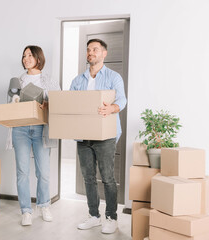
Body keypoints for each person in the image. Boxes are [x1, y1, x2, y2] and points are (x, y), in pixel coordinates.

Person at [70, 39, 127, 234]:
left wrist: (112, 108)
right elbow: (71, 105)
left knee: (108, 177)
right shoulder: (78, 81)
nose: (90, 52)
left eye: (95, 49)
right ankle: (94, 216)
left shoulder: (113, 77)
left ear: (104, 53)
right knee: (88, 178)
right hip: (83, 136)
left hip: (106, 136)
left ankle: (111, 217)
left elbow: (122, 99)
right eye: (88, 50)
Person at [7, 45, 60, 226]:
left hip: (41, 130)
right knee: (22, 172)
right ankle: (26, 211)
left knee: (43, 172)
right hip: (20, 129)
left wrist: (48, 103)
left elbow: (60, 103)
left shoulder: (50, 81)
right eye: (24, 56)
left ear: (38, 58)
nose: (26, 58)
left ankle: (44, 205)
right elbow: (9, 104)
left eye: (30, 55)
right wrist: (14, 101)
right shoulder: (17, 80)